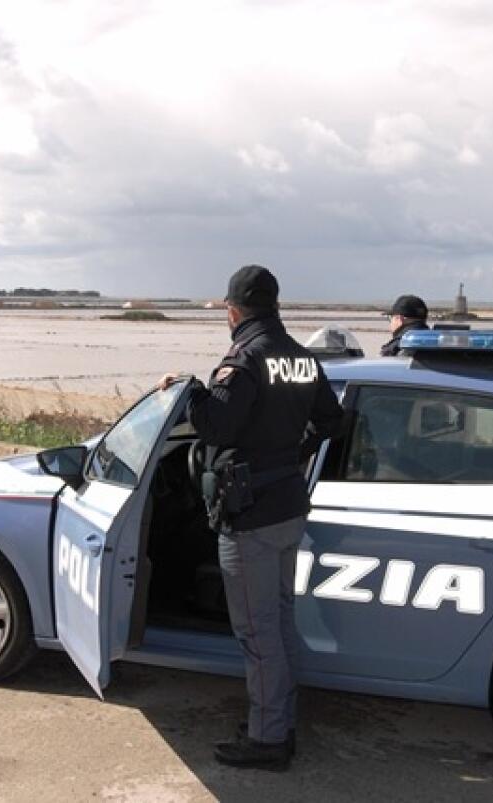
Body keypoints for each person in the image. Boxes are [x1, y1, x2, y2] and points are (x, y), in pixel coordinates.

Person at [157, 265, 345, 771]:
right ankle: (277, 722)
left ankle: (267, 742)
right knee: (279, 623)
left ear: (233, 311)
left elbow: (216, 425)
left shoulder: (244, 359)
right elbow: (332, 419)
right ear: (274, 305)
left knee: (257, 634)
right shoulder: (303, 358)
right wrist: (291, 454)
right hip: (287, 509)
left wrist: (189, 388)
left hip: (251, 518)